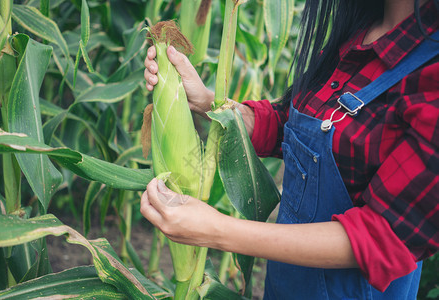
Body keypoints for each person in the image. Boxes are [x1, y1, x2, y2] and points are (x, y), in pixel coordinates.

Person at [141, 0, 439, 298]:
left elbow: (383, 238)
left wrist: (215, 230)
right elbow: (293, 126)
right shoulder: (359, 34)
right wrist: (208, 103)